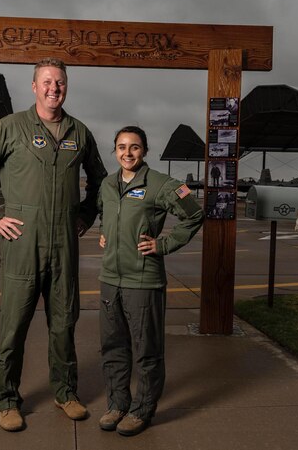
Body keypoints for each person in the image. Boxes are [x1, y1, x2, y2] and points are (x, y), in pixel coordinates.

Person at [0, 58, 107, 432]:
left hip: (64, 240)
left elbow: (99, 179)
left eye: (59, 82)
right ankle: (7, 399)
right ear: (34, 86)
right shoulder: (11, 127)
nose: (53, 88)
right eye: (46, 82)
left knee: (64, 322)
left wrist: (87, 215)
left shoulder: (80, 131)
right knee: (15, 325)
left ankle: (65, 392)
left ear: (66, 87)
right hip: (23, 239)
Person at [97, 126, 204, 436]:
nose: (127, 153)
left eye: (134, 147)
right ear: (115, 150)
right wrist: (106, 231)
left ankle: (142, 410)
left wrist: (163, 244)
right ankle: (118, 404)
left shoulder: (161, 185)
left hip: (143, 281)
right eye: (121, 147)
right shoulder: (108, 183)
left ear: (144, 150)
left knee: (147, 350)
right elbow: (107, 212)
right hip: (110, 280)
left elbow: (194, 215)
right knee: (113, 347)